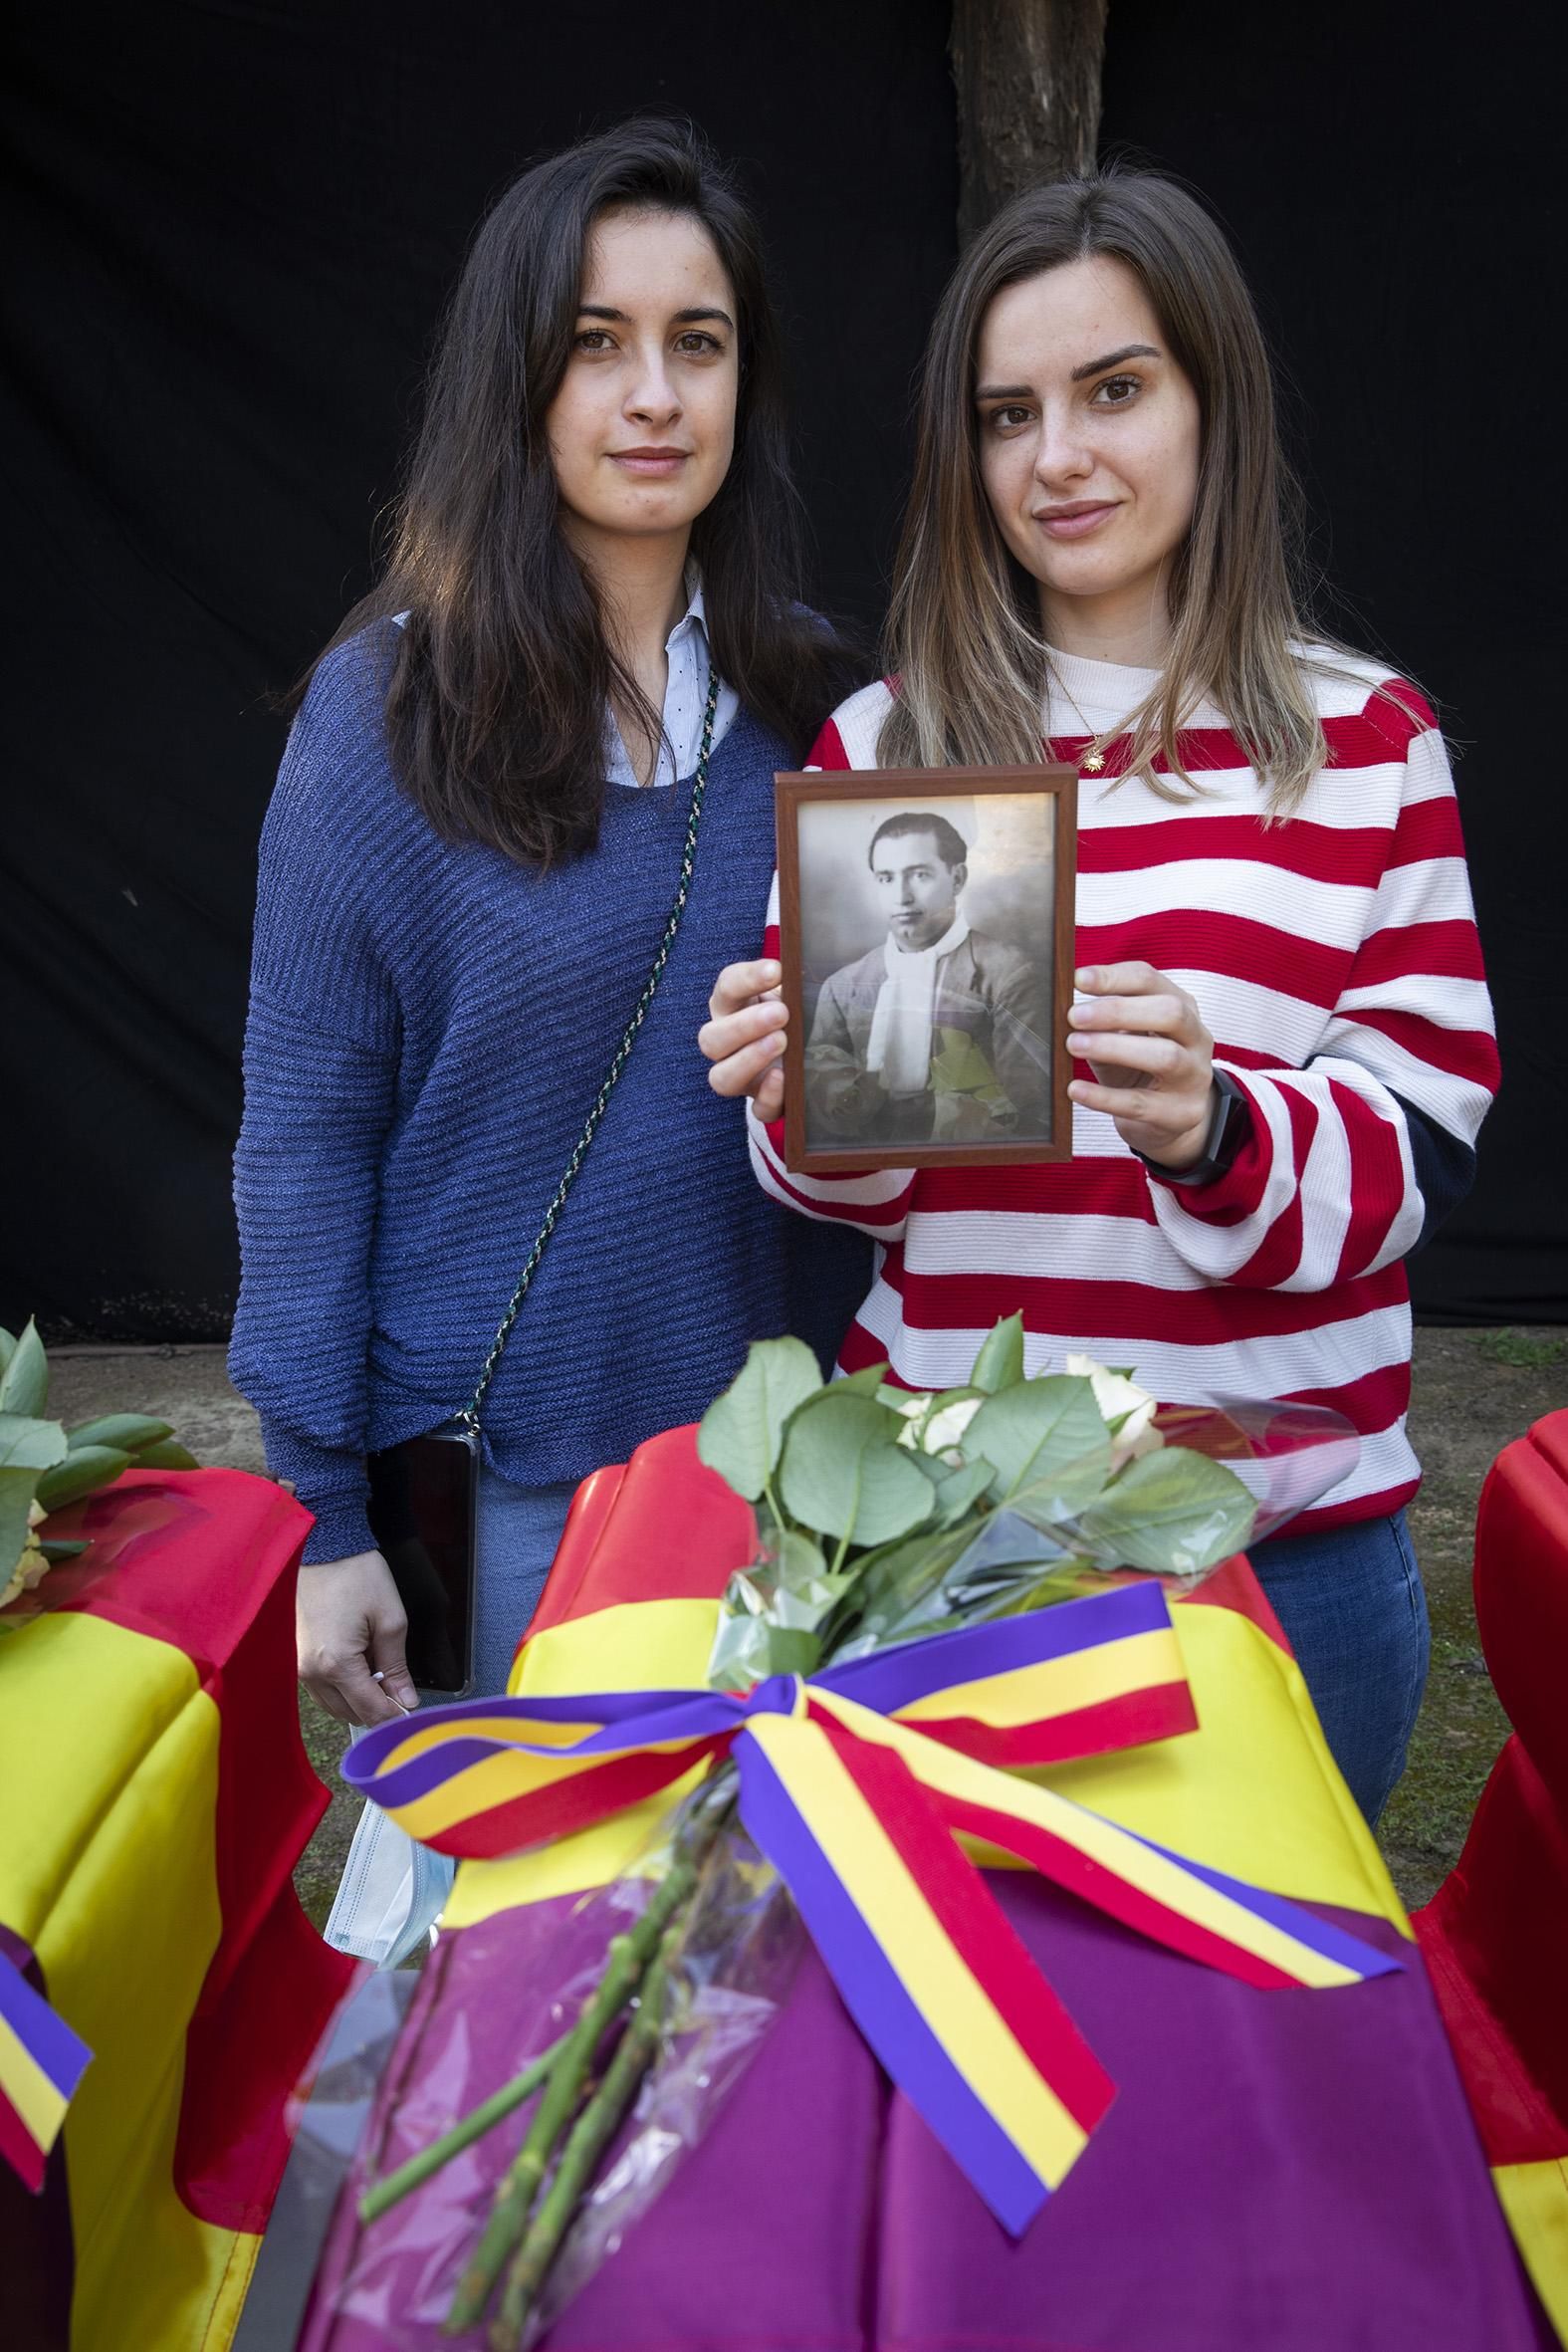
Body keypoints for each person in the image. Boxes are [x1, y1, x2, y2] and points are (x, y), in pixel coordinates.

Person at [701, 168, 1498, 1825]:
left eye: (1113, 390)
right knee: (962, 1983)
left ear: (1214, 403)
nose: (1056, 455)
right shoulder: (887, 749)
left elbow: (1416, 1154)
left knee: (1265, 1990)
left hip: (1283, 1538)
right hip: (947, 1533)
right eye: (1007, 414)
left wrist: (1218, 1127)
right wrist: (802, 1099)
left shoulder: (1368, 743)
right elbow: (858, 1188)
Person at [230, 119, 864, 1723]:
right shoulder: (385, 715)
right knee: (528, 1881)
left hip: (791, 1473)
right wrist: (321, 1512)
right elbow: (304, 1135)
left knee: (760, 1883)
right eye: (596, 342)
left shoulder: (825, 705)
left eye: (696, 343)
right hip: (507, 1482)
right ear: (514, 378)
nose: (654, 393)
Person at [805, 811, 1050, 1142]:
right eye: (886, 878)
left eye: (919, 875)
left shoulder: (1009, 975)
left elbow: (1033, 1114)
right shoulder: (842, 986)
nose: (902, 897)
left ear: (957, 879)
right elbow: (817, 1106)